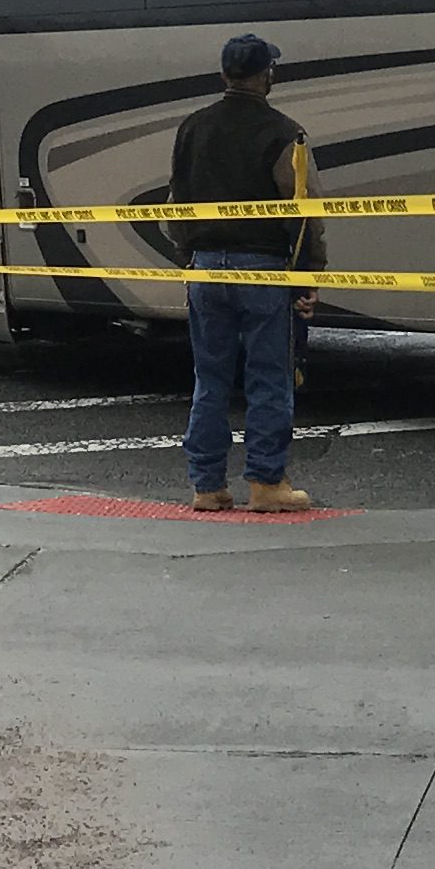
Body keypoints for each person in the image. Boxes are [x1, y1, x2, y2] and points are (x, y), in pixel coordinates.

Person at [170, 33, 321, 513]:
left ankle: (207, 485)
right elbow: (303, 210)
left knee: (209, 378)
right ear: (266, 76)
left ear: (223, 75)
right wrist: (306, 275)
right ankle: (266, 483)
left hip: (206, 268)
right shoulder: (285, 132)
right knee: (269, 377)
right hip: (263, 269)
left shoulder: (191, 129)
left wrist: (189, 256)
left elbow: (176, 206)